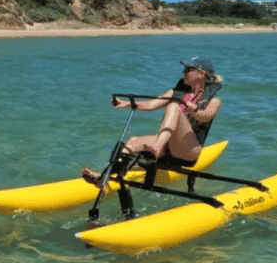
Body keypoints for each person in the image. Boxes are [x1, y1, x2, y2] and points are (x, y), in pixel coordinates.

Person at [82, 57, 223, 186]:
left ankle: (156, 147)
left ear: (201, 74)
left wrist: (194, 111)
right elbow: (150, 105)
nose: (184, 72)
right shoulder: (176, 92)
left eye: (188, 69)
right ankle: (103, 177)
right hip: (167, 147)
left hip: (188, 150)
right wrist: (126, 104)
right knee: (133, 141)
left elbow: (206, 116)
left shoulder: (214, 100)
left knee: (173, 106)